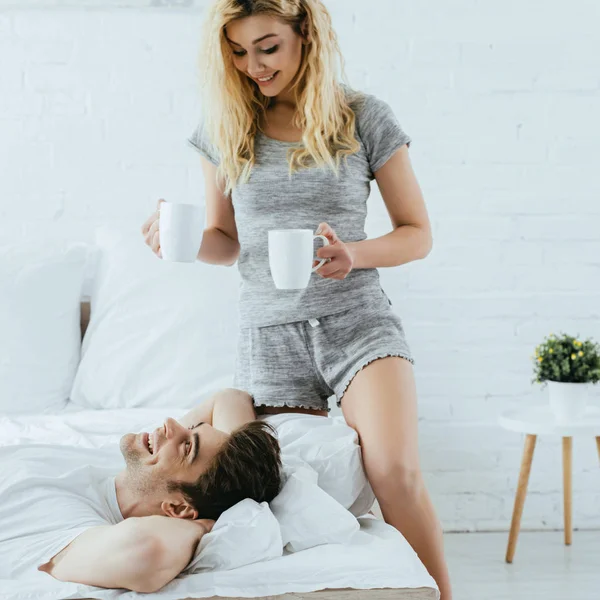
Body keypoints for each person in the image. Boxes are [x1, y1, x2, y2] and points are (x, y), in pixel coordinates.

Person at [141, 1, 452, 598]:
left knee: (394, 473)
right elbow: (227, 243)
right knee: (283, 494)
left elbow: (418, 233)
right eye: (237, 51)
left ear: (305, 34)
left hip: (357, 321)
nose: (253, 65)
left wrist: (353, 254)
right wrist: (173, 241)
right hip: (268, 335)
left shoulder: (364, 118)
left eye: (267, 47)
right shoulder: (224, 126)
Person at [0, 389, 282, 593]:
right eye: (191, 429)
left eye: (187, 446)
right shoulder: (131, 465)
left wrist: (208, 526)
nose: (172, 424)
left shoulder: (74, 530)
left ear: (179, 509)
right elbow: (229, 398)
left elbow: (146, 551)